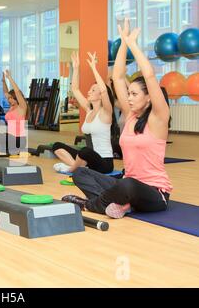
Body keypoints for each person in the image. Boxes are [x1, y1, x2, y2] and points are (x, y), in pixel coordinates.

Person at [62, 18, 172, 219]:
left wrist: (134, 46)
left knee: (127, 184)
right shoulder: (130, 116)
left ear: (149, 98)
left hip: (154, 193)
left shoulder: (159, 119)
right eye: (127, 94)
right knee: (80, 173)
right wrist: (123, 43)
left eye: (134, 95)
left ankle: (90, 205)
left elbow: (148, 75)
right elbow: (118, 77)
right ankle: (121, 204)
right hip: (125, 184)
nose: (128, 99)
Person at [52, 51, 118, 174]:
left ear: (101, 96)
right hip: (87, 159)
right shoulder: (89, 110)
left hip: (104, 162)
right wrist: (76, 68)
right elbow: (75, 89)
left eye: (93, 90)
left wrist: (93, 67)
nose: (89, 91)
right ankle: (78, 167)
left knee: (84, 151)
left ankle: (71, 169)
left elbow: (104, 91)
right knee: (57, 146)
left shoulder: (106, 113)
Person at [2, 69, 28, 155]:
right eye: (8, 98)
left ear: (15, 97)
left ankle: (15, 149)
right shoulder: (12, 107)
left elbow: (17, 91)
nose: (9, 100)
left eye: (11, 98)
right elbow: (6, 92)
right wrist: (3, 81)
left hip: (19, 139)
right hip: (11, 137)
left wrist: (9, 78)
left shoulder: (22, 107)